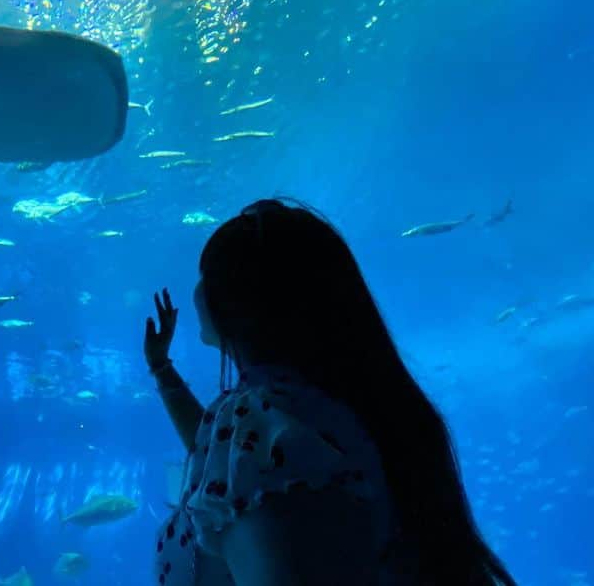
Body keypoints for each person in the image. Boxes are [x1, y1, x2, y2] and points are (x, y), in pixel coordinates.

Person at [144, 198, 516, 585]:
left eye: (205, 273)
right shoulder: (323, 410)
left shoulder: (262, 422)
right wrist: (162, 368)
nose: (197, 289)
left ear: (235, 296)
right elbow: (220, 457)